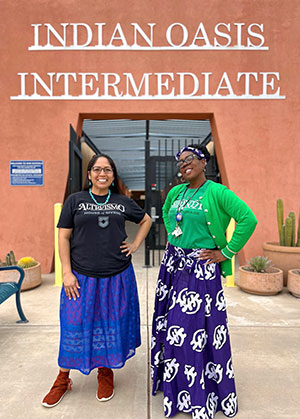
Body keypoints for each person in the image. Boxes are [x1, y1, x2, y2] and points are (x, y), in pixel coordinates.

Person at [151, 144, 257, 418]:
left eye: (189, 159)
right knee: (171, 327)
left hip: (200, 269)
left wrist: (226, 251)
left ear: (203, 163)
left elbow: (248, 219)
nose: (183, 164)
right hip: (173, 267)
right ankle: (177, 387)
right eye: (180, 161)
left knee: (192, 332)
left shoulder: (217, 192)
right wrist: (173, 239)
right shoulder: (177, 192)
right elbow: (166, 212)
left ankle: (199, 393)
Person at [42, 153, 152, 408]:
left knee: (109, 325)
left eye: (108, 170)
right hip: (81, 277)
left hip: (117, 276)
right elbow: (63, 237)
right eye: (97, 169)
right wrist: (67, 273)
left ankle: (105, 372)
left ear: (113, 176)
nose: (102, 174)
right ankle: (62, 378)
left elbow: (146, 220)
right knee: (74, 324)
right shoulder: (75, 201)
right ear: (90, 174)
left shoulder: (122, 202)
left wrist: (135, 243)